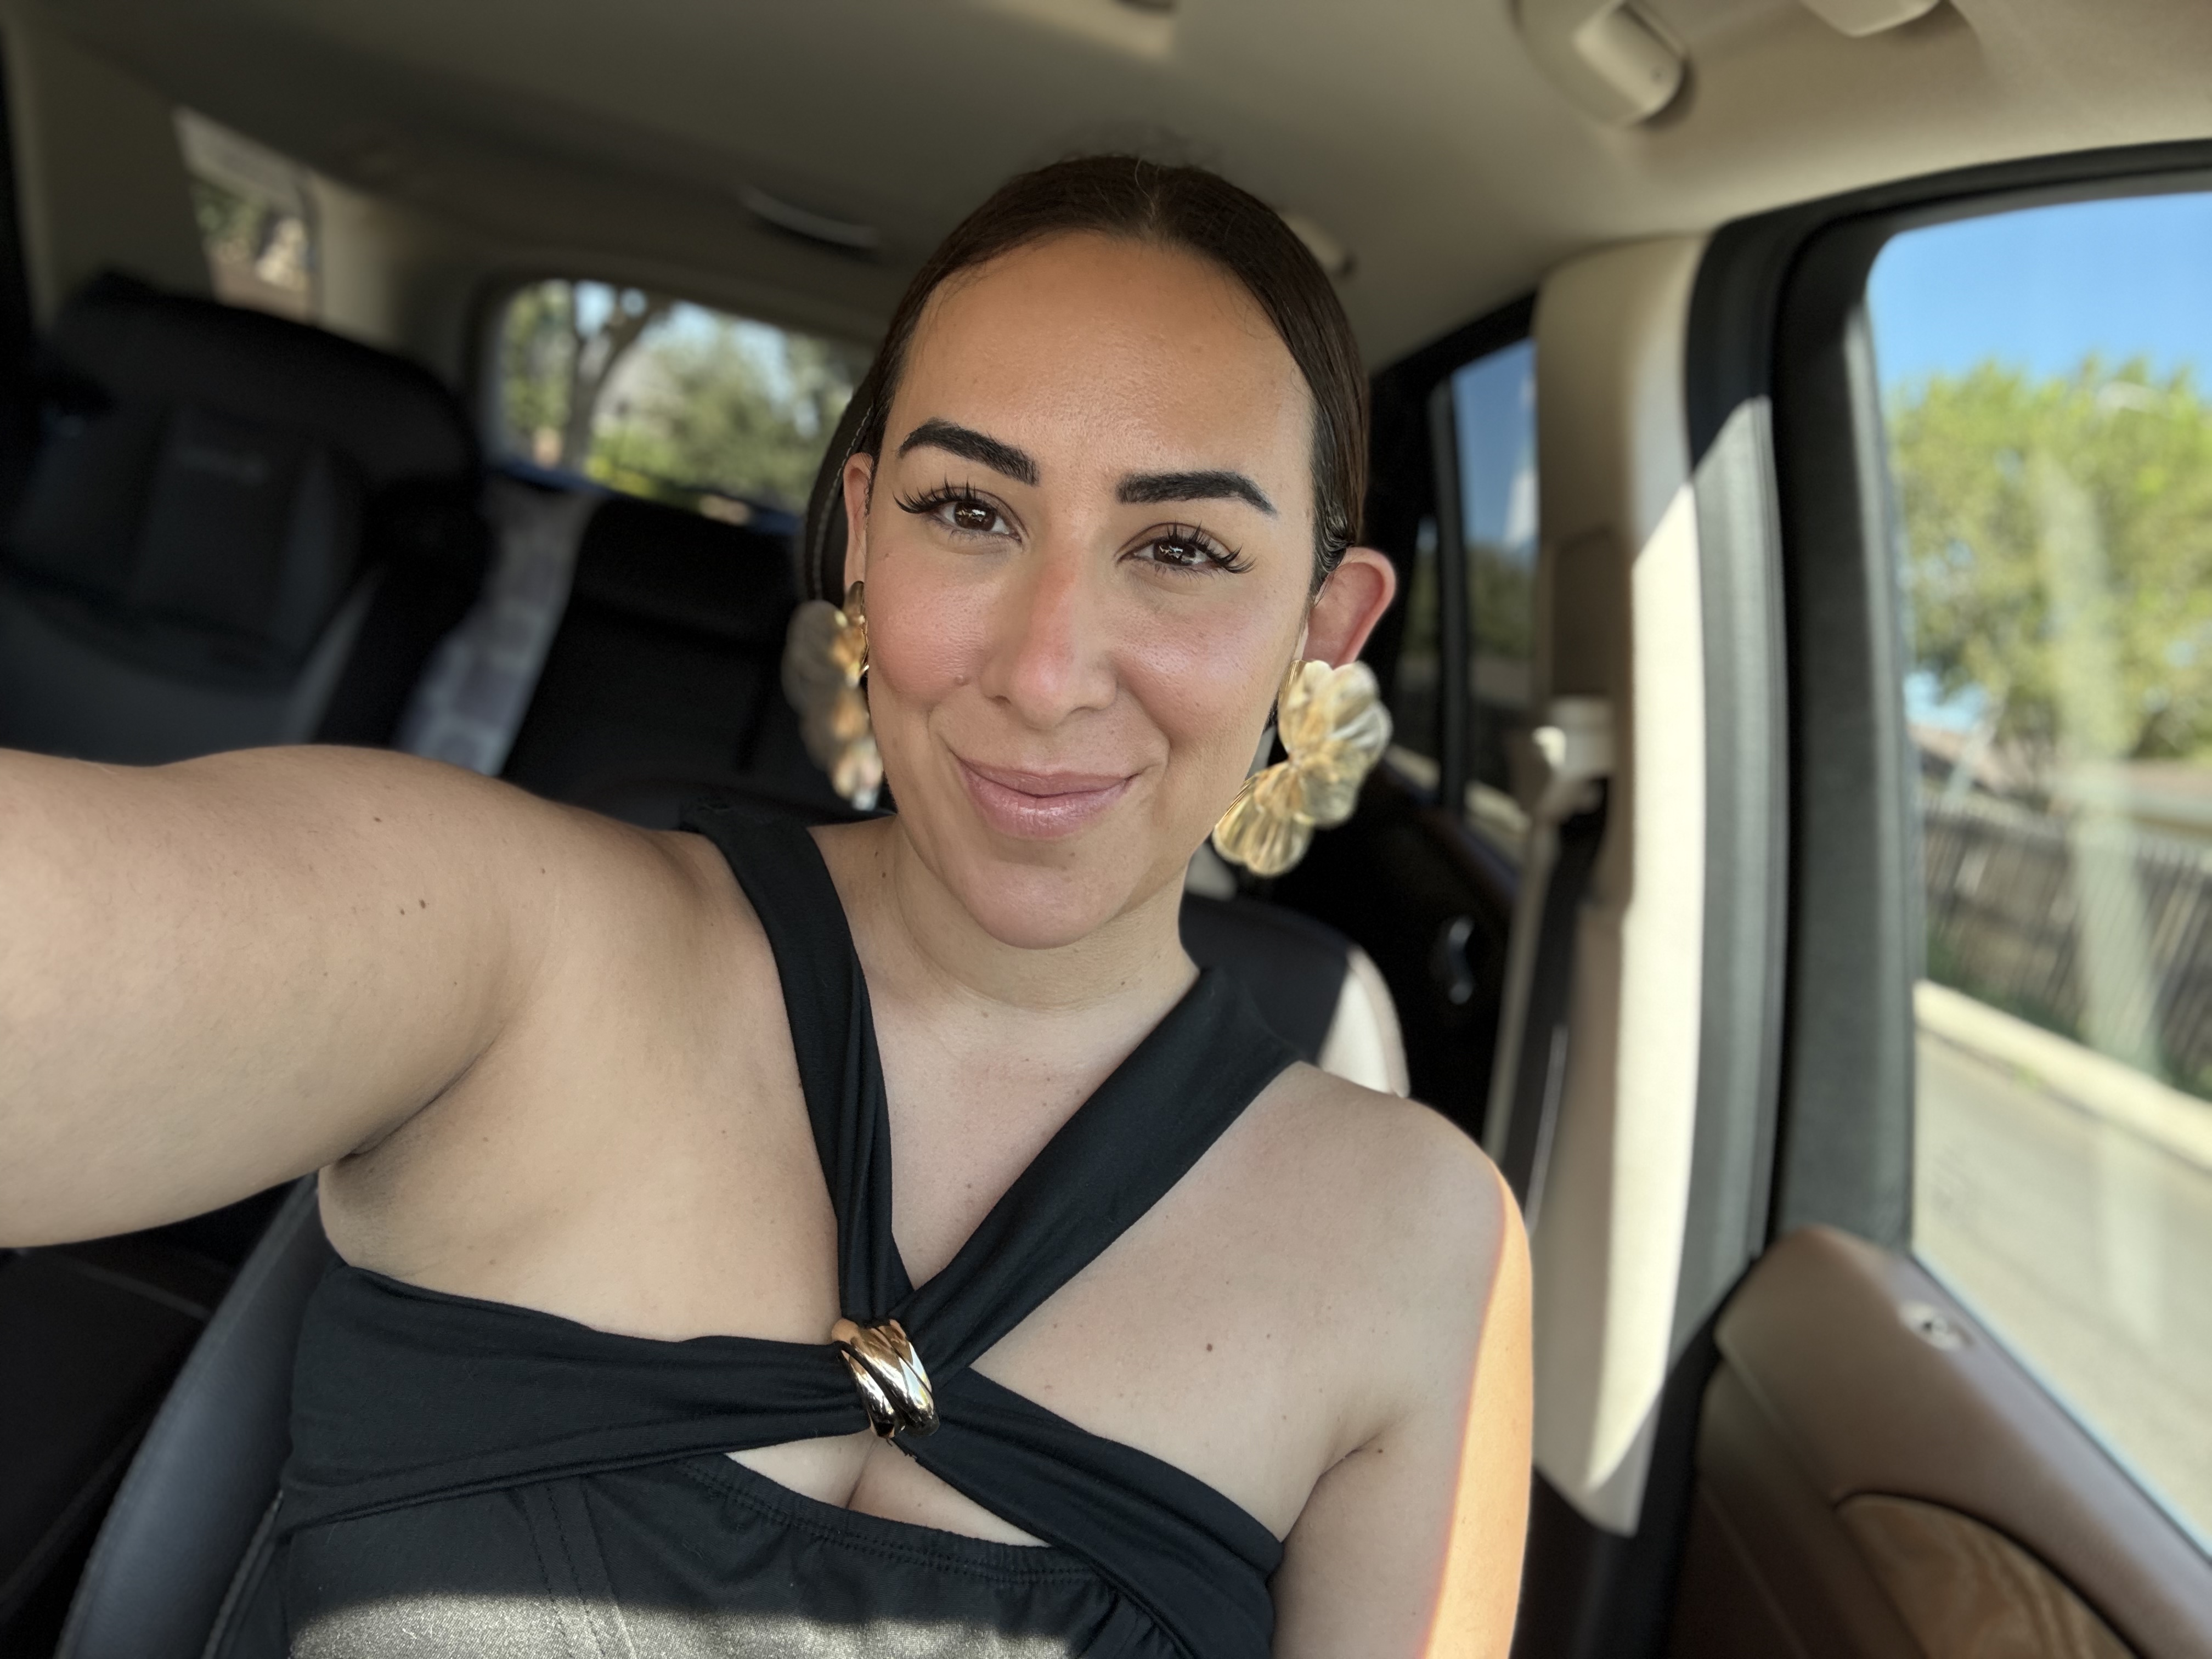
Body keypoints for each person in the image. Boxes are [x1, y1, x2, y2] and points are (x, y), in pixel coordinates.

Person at [1, 155, 1531, 1656]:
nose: (1046, 671)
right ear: (863, 537)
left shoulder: (1421, 1252)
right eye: (970, 511)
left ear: (1325, 626)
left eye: (1183, 547)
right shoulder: (505, 940)